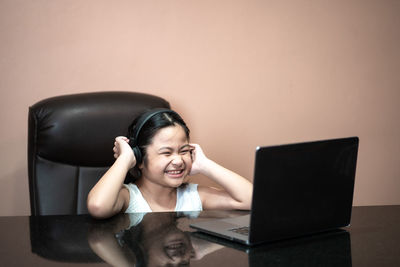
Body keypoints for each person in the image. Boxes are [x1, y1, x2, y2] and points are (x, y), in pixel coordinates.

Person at [87, 109, 253, 219]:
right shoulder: (128, 197)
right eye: (166, 153)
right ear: (139, 159)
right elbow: (98, 206)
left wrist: (205, 165)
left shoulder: (193, 197)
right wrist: (125, 158)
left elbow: (251, 200)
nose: (178, 161)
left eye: (184, 151)